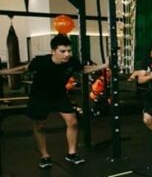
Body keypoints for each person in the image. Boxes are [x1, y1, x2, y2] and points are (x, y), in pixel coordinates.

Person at [0, 34, 107, 168]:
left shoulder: (72, 61)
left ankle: (72, 154)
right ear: (53, 51)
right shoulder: (41, 61)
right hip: (40, 96)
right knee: (40, 126)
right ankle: (44, 156)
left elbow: (83, 69)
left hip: (59, 95)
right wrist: (3, 72)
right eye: (63, 51)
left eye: (69, 51)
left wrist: (104, 65)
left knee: (73, 122)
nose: (67, 54)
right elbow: (23, 69)